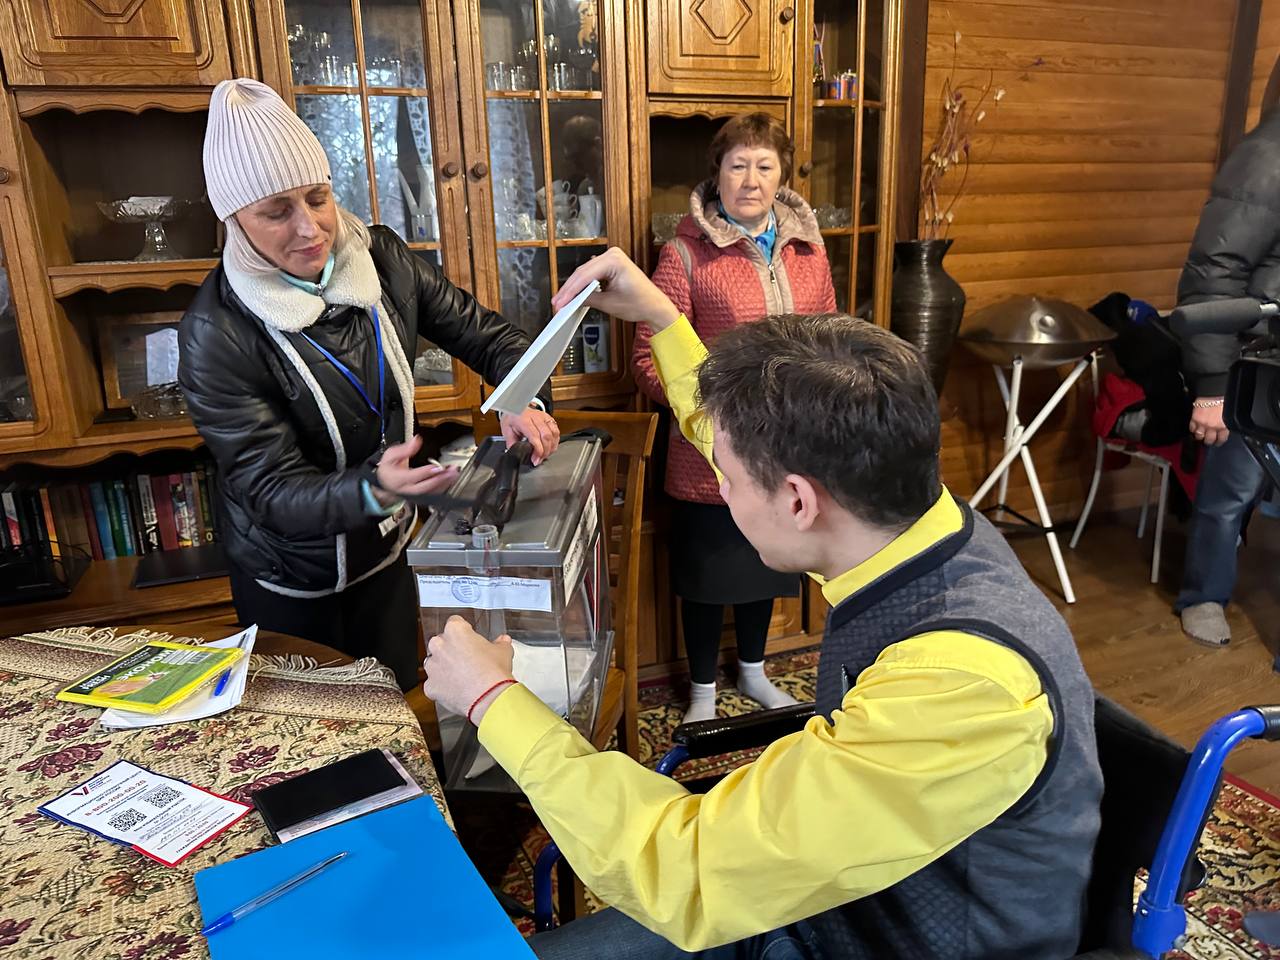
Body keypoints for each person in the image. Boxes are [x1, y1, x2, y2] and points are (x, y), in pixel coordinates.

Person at [423, 249, 1103, 959]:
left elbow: (686, 875)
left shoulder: (959, 691)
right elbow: (745, 451)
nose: (721, 486)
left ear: (799, 500)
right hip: (841, 892)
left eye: (732, 482)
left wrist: (493, 698)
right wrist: (661, 318)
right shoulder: (905, 516)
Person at [178, 79, 560, 689]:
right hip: (289, 580)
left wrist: (522, 397)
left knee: (397, 706)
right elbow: (271, 490)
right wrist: (373, 490)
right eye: (276, 212)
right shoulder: (215, 331)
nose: (310, 229)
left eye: (318, 198)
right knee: (314, 745)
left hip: (387, 555)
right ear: (234, 221)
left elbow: (490, 338)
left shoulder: (381, 257)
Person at [632, 112, 837, 723]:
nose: (750, 179)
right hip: (709, 453)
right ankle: (699, 693)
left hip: (786, 452)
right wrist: (718, 414)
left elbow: (829, 337)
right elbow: (649, 359)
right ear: (717, 175)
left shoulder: (809, 252)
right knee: (705, 577)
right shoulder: (684, 253)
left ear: (781, 176)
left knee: (768, 568)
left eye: (764, 165)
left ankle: (753, 671)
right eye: (738, 165)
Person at [1173, 106, 1280, 647]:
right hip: (1259, 361)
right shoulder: (1266, 157)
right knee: (1230, 490)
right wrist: (1212, 388)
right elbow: (1213, 272)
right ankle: (1204, 596)